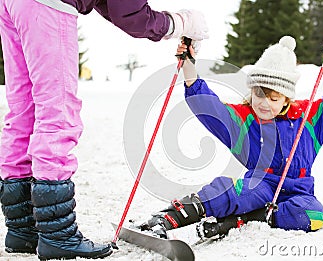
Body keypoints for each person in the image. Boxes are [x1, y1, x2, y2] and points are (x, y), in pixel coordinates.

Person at [0, 0, 208, 260]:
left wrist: (172, 25)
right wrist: (182, 23)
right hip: (48, 5)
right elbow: (130, 14)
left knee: (24, 109)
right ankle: (57, 235)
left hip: (11, 5)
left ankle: (23, 230)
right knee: (57, 111)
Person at [138, 35, 323, 239]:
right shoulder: (246, 119)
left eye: (274, 98)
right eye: (258, 94)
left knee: (314, 215)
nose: (264, 103)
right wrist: (188, 68)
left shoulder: (309, 120)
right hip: (260, 186)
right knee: (233, 192)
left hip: (298, 191)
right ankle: (168, 218)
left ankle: (244, 220)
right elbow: (208, 107)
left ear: (286, 99)